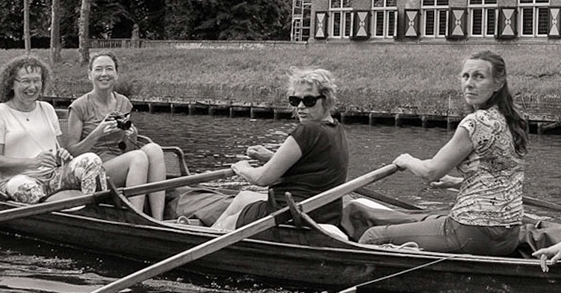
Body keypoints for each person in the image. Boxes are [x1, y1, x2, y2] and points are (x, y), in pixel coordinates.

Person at [357, 51, 526, 255]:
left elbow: (431, 171)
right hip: (508, 236)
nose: (469, 84)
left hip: (473, 231)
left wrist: (407, 160)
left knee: (373, 236)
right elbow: (499, 177)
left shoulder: (476, 122)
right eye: (465, 76)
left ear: (498, 84)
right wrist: (454, 182)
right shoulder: (513, 120)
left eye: (479, 77)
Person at [212, 67, 351, 230]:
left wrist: (242, 168)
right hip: (323, 213)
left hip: (291, 215)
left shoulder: (308, 130)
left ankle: (203, 237)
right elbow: (312, 164)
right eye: (295, 100)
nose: (300, 107)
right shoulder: (335, 128)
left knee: (226, 225)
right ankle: (205, 231)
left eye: (308, 101)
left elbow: (262, 179)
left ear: (326, 100)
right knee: (243, 197)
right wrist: (272, 157)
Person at [0, 56, 106, 204]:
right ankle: (55, 212)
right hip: (17, 180)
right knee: (26, 187)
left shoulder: (47, 109)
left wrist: (62, 155)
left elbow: (59, 152)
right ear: (11, 84)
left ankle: (93, 206)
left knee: (92, 159)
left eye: (37, 81)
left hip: (53, 177)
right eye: (26, 81)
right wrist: (31, 162)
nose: (32, 87)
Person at [62, 51, 169, 218]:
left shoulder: (123, 103)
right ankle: (136, 218)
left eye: (109, 69)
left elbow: (126, 149)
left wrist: (131, 137)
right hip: (92, 169)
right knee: (138, 157)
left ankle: (158, 219)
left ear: (116, 74)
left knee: (154, 149)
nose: (104, 74)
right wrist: (97, 133)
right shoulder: (79, 106)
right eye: (98, 69)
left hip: (120, 162)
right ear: (90, 75)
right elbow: (72, 151)